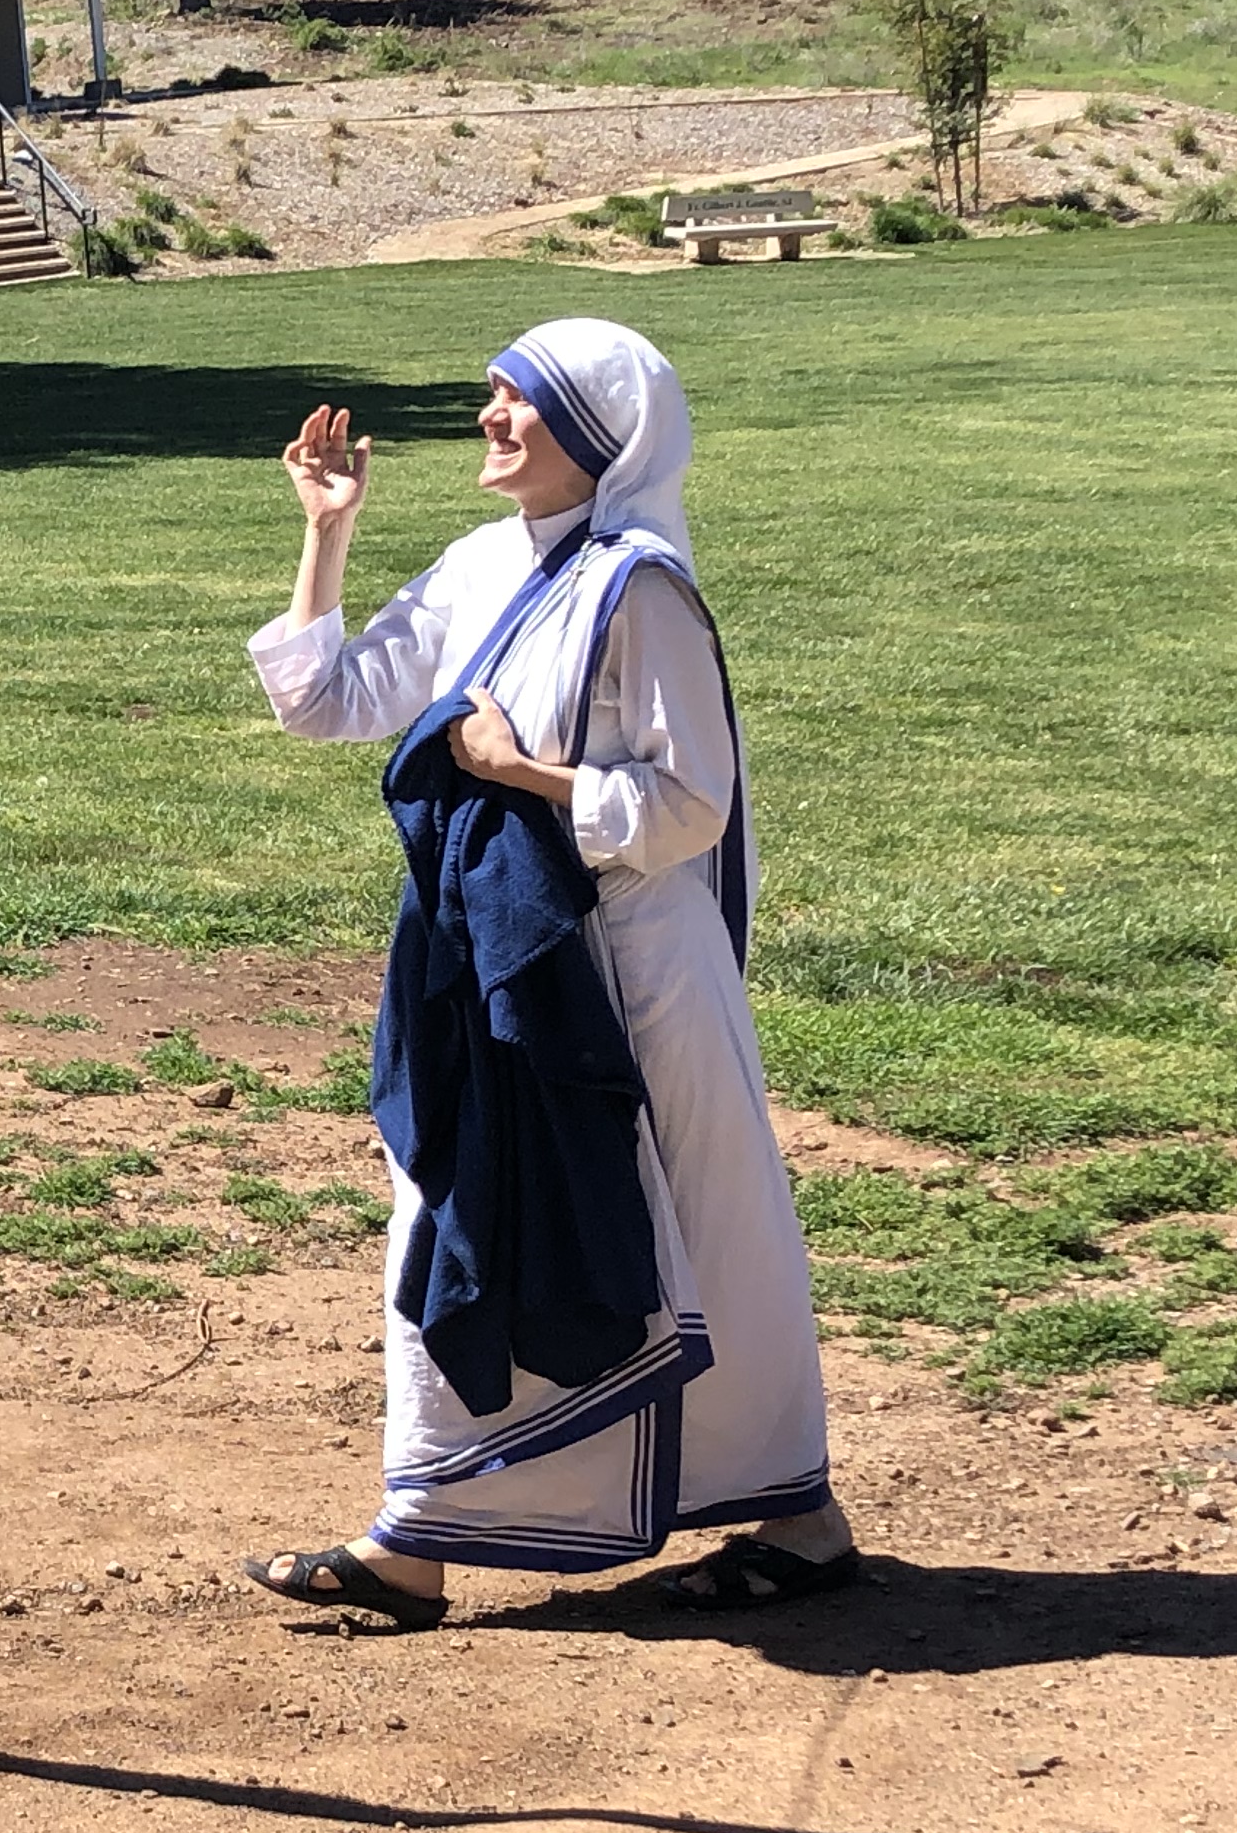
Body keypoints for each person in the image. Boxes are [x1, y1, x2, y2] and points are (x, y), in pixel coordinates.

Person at [236, 319, 858, 1628]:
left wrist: (522, 775)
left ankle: (794, 1513)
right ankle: (415, 1537)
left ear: (599, 435)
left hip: (635, 976)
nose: (490, 419)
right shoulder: (479, 564)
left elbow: (689, 808)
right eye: (493, 396)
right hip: (502, 961)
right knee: (463, 1207)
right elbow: (330, 700)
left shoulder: (643, 590)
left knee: (700, 1231)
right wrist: (328, 530)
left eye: (518, 401)